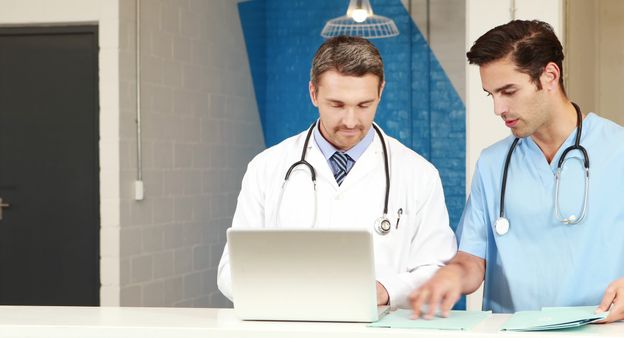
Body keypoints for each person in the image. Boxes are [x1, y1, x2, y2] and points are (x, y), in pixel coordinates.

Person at [217, 36, 456, 309]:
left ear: (381, 92)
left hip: (381, 325)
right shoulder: (267, 167)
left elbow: (437, 267)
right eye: (337, 105)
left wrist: (386, 290)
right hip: (289, 326)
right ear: (313, 93)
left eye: (364, 105)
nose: (351, 121)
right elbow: (230, 270)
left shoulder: (419, 174)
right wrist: (284, 291)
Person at [409, 20, 624, 323]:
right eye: (491, 94)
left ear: (549, 76)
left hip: (599, 328)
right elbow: (472, 257)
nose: (498, 108)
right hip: (514, 329)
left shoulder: (618, 150)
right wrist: (452, 276)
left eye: (508, 91)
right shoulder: (493, 163)